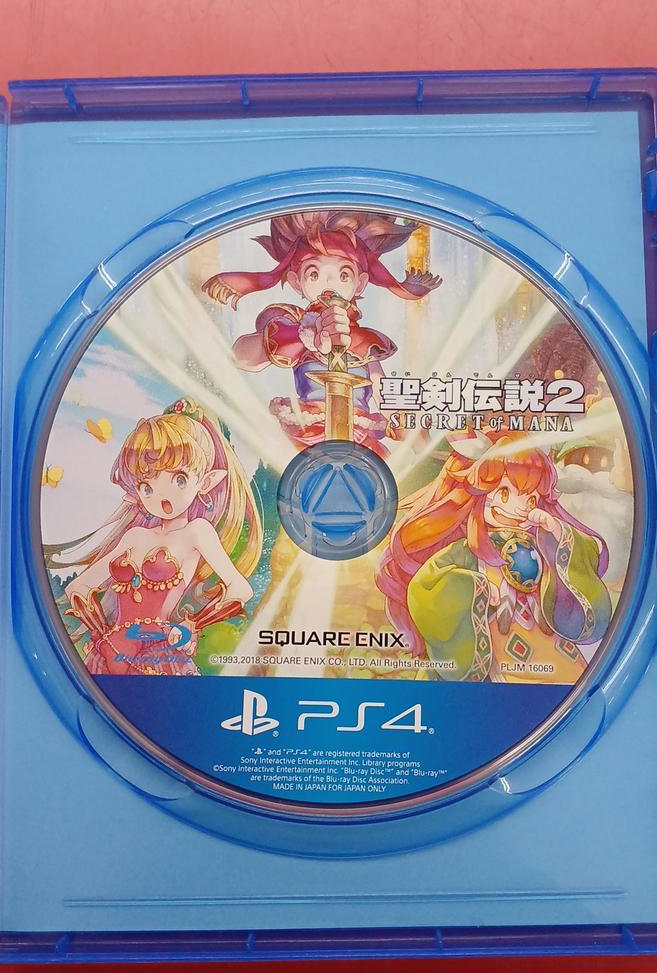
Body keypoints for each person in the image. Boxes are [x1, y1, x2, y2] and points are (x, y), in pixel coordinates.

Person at [48, 398, 262, 676]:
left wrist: (192, 625)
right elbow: (78, 587)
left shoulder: (196, 532)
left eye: (179, 479)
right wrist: (99, 629)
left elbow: (240, 588)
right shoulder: (135, 536)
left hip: (158, 653)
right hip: (110, 651)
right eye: (147, 486)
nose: (162, 495)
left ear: (206, 482)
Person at [378, 432, 612, 682]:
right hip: (493, 652)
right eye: (504, 493)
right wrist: (475, 586)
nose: (520, 507)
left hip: (550, 652)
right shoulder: (466, 551)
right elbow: (426, 585)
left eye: (531, 498)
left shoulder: (544, 543)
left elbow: (582, 563)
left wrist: (557, 533)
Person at [202, 210, 441, 453]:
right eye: (314, 274)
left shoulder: (365, 341)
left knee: (382, 462)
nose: (329, 283)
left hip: (358, 435)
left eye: (344, 275)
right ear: (296, 281)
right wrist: (307, 335)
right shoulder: (291, 324)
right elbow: (241, 357)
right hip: (307, 435)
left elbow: (382, 391)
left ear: (360, 282)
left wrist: (410, 427)